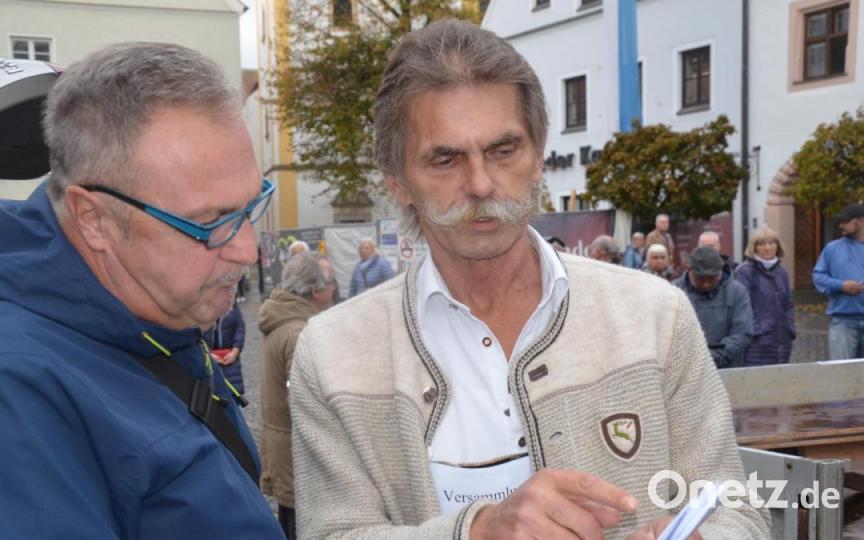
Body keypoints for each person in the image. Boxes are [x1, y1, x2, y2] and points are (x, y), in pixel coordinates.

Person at [290, 20, 768, 540]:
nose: (480, 183)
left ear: (538, 155)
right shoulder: (333, 355)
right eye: (445, 159)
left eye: (503, 150)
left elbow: (735, 506)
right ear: (397, 181)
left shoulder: (654, 316)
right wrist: (476, 533)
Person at [0, 43, 284, 538]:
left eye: (251, 206)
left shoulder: (146, 314)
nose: (248, 250)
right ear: (95, 218)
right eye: (210, 222)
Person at [259, 252, 336, 540]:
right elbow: (303, 404)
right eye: (331, 283)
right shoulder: (299, 332)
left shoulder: (284, 319)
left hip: (285, 449)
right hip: (299, 456)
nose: (334, 289)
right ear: (315, 291)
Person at [674, 247, 754, 369]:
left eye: (712, 279)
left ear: (721, 270)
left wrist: (714, 357)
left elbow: (743, 333)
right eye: (700, 279)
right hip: (685, 371)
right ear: (689, 270)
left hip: (727, 370)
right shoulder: (674, 292)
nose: (706, 284)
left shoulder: (737, 292)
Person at [735, 228, 795, 366]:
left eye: (772, 243)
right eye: (761, 244)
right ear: (754, 248)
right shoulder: (745, 272)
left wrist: (790, 329)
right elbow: (743, 307)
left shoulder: (781, 272)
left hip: (782, 341)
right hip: (757, 344)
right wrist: (757, 331)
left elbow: (789, 305)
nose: (767, 248)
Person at [813, 203, 864, 360]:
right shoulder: (832, 248)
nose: (841, 225)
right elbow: (818, 277)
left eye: (846, 221)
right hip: (842, 321)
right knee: (842, 375)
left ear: (861, 221)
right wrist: (841, 285)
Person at [204, 300, 247, 395]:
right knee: (212, 393)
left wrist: (235, 350)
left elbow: (240, 327)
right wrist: (207, 353)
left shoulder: (231, 302)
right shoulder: (202, 304)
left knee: (233, 392)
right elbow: (197, 334)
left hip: (230, 356)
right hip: (208, 357)